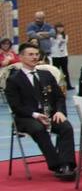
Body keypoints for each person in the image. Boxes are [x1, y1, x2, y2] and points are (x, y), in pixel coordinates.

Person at [5, 41, 76, 179]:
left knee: (66, 127)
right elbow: (16, 106)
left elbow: (59, 97)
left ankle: (67, 164)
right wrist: (36, 115)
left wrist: (60, 111)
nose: (34, 57)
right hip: (26, 117)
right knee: (39, 128)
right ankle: (57, 165)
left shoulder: (46, 75)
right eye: (30, 54)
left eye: (37, 54)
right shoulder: (13, 80)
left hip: (50, 114)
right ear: (21, 57)